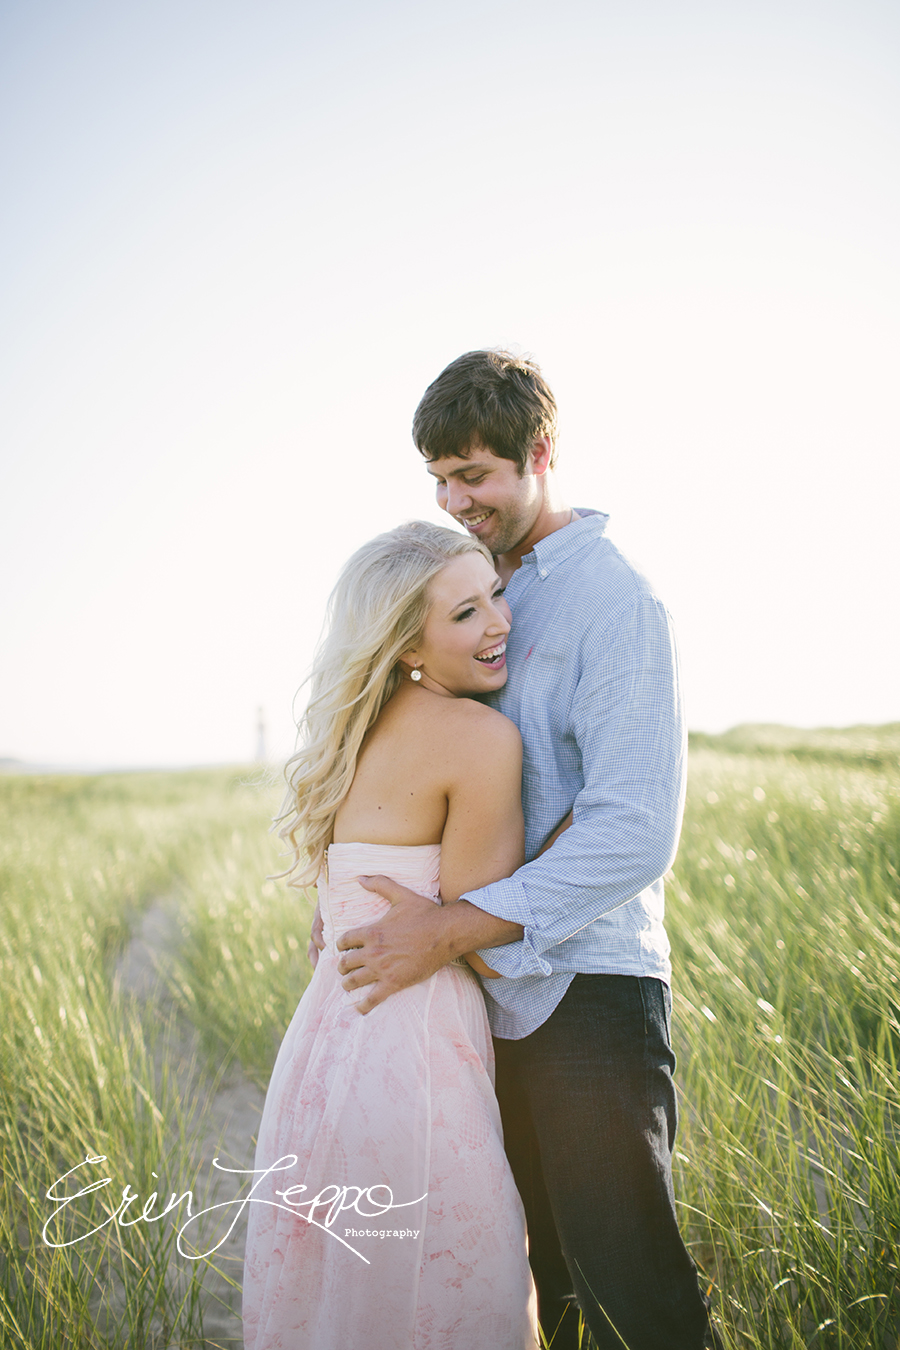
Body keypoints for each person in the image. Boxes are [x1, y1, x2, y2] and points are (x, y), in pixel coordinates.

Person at [334, 351, 723, 1350]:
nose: (454, 501)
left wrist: (448, 928)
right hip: (476, 1004)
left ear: (540, 453)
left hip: (586, 992)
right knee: (541, 1293)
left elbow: (633, 830)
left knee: (632, 1289)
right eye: (439, 480)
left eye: (474, 476)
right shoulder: (472, 584)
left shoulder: (618, 603)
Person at [241, 521, 538, 1350]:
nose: (500, 623)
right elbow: (484, 942)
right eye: (465, 614)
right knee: (453, 1291)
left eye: (496, 596)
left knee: (344, 1296)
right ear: (408, 643)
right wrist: (574, 841)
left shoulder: (350, 737)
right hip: (418, 1049)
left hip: (325, 1048)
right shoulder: (482, 739)